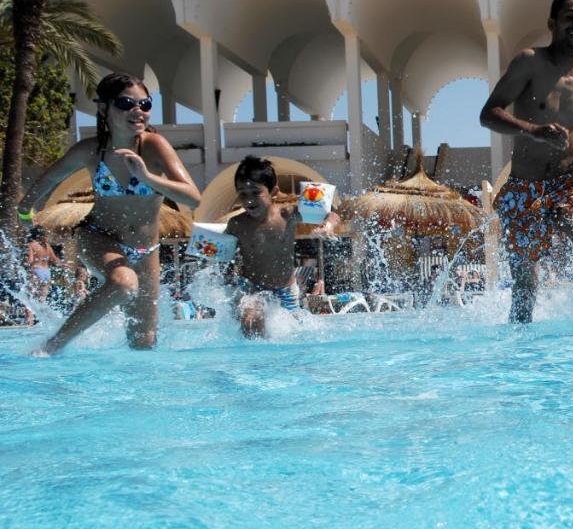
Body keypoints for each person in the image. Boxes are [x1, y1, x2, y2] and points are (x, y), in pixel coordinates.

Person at [18, 73, 200, 355]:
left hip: (146, 248)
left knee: (144, 342)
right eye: (127, 103)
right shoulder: (91, 151)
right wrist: (28, 221)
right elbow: (42, 187)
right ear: (104, 109)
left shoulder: (154, 146)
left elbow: (192, 196)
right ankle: (52, 346)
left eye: (145, 104)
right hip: (99, 237)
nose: (138, 111)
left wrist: (147, 176)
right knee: (123, 282)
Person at [479, 0, 573, 324]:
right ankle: (522, 350)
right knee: (525, 281)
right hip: (525, 187)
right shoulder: (529, 62)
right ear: (552, 23)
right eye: (570, 17)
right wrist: (532, 130)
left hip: (569, 183)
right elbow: (488, 114)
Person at [224, 156, 339, 338]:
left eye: (255, 192)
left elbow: (331, 213)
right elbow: (226, 256)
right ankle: (255, 363)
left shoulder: (287, 215)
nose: (249, 200)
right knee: (252, 319)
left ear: (273, 192)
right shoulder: (236, 224)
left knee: (292, 334)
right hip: (253, 288)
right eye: (243, 194)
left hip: (286, 290)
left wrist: (328, 225)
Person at [25, 226, 61, 305]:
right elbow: (55, 259)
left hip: (37, 270)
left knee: (31, 295)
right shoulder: (48, 246)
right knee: (42, 298)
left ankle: (31, 313)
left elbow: (30, 260)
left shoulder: (31, 245)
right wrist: (62, 264)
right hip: (47, 272)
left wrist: (25, 264)